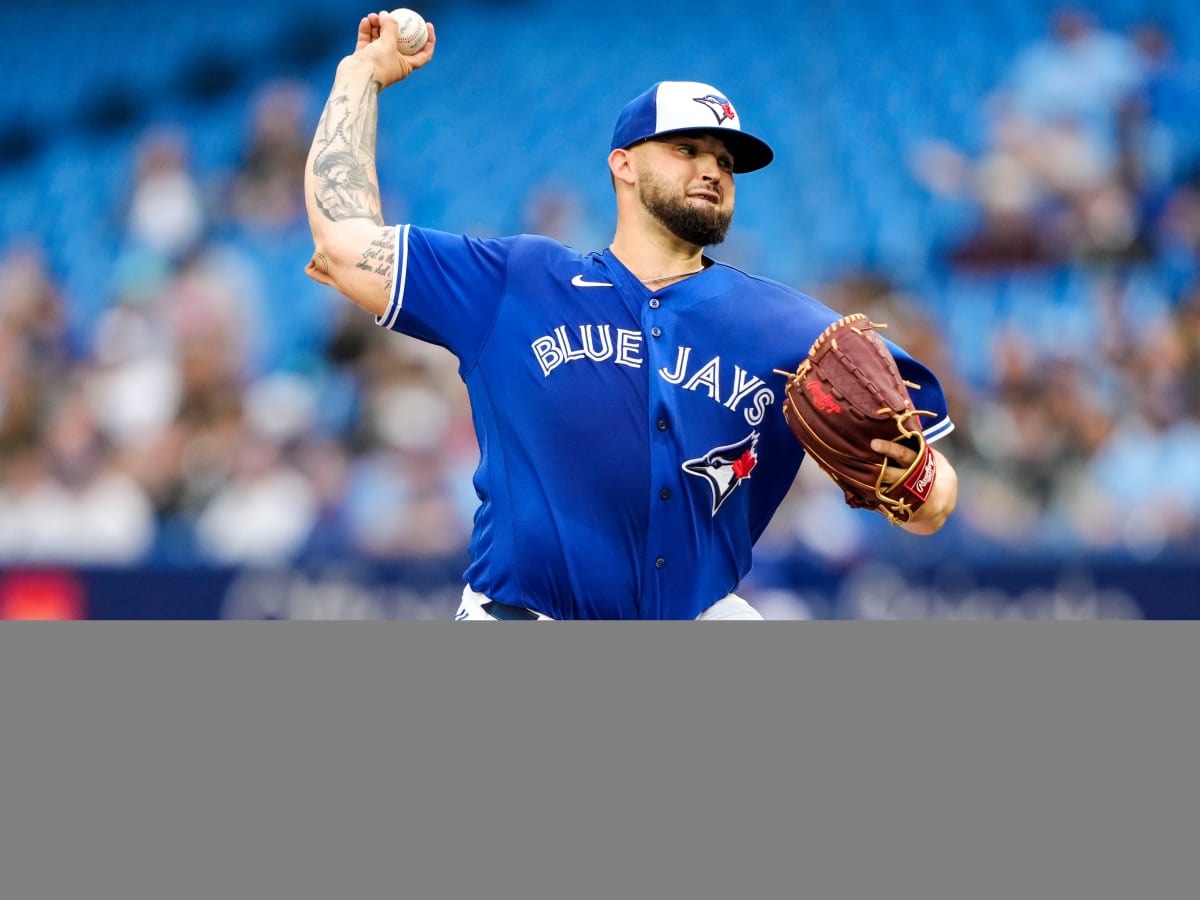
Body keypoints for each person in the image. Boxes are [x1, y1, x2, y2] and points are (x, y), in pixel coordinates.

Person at [303, 10, 959, 620]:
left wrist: (917, 475)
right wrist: (359, 75)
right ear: (622, 165)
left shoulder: (791, 329)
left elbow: (933, 503)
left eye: (726, 161)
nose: (712, 170)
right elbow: (343, 241)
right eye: (687, 150)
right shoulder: (518, 280)